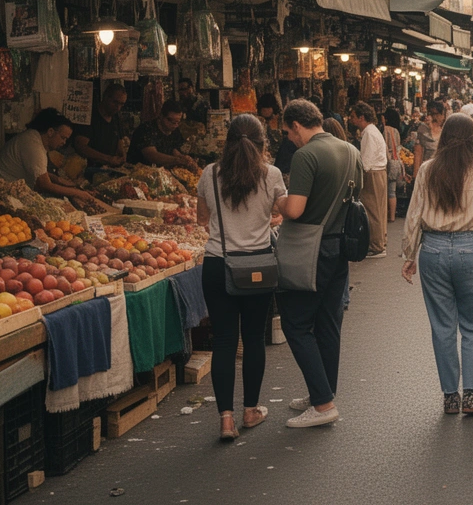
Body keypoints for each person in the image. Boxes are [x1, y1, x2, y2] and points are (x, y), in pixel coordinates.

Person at [400, 114, 473, 415]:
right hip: (470, 249)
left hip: (432, 249)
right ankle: (472, 394)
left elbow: (415, 214)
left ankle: (450, 397)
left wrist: (409, 255)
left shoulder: (428, 169)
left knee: (442, 326)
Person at [195, 114, 287, 440]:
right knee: (253, 339)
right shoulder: (271, 175)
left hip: (217, 264)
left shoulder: (210, 173)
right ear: (262, 144)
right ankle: (250, 411)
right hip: (257, 266)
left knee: (223, 341)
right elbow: (282, 211)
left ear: (227, 142)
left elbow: (202, 217)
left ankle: (225, 420)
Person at [276, 99, 364, 428]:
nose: (289, 139)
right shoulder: (350, 150)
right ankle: (323, 392)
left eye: (288, 132)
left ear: (297, 125)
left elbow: (294, 209)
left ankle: (323, 404)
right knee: (328, 323)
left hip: (312, 249)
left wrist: (278, 200)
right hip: (340, 247)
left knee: (296, 324)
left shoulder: (306, 155)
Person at [0, 109, 91, 200]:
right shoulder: (33, 145)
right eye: (63, 138)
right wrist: (78, 193)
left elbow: (38, 171)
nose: (64, 142)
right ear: (50, 132)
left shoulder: (33, 138)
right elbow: (44, 184)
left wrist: (59, 180)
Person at [349, 102, 389, 259]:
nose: (351, 120)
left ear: (361, 117)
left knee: (372, 210)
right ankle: (380, 242)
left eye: (353, 116)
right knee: (378, 209)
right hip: (378, 172)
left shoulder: (369, 134)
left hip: (373, 173)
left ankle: (376, 246)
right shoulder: (372, 131)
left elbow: (366, 160)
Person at [71, 83, 129, 168]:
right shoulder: (89, 116)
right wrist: (107, 159)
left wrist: (122, 156)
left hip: (109, 169)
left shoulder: (116, 116)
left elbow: (119, 140)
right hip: (88, 168)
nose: (118, 108)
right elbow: (81, 146)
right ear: (105, 97)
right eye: (115, 102)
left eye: (122, 104)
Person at [128, 101, 197, 169]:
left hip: (162, 171)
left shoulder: (174, 129)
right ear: (161, 116)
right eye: (172, 122)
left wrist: (184, 158)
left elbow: (174, 149)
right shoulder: (146, 129)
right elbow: (152, 155)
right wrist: (177, 160)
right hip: (137, 170)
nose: (175, 125)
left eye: (177, 122)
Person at [412, 100, 446, 179]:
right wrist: (416, 175)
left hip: (442, 173)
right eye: (430, 113)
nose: (432, 116)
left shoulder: (446, 130)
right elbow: (418, 153)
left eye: (435, 114)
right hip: (426, 173)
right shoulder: (423, 129)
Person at [382, 107, 404, 223]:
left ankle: (386, 214)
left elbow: (384, 146)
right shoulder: (396, 131)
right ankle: (392, 216)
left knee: (386, 190)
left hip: (388, 161)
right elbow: (398, 146)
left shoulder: (384, 130)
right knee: (392, 191)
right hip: (396, 161)